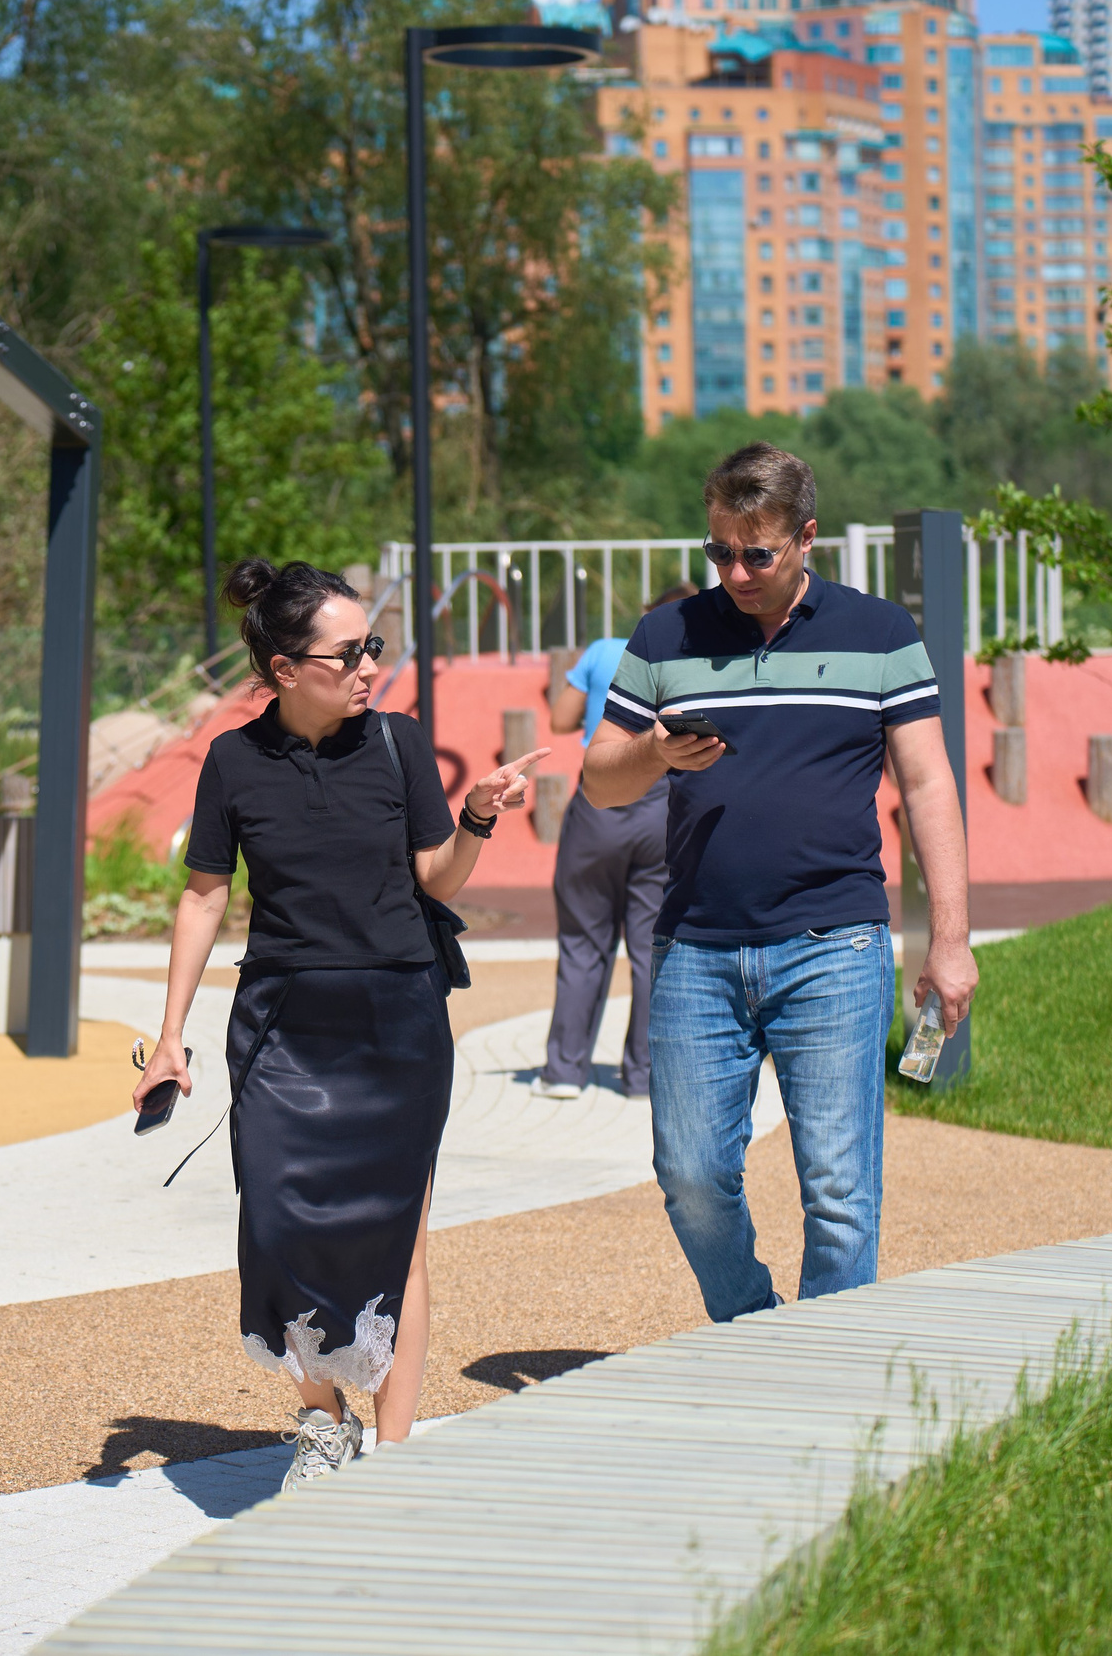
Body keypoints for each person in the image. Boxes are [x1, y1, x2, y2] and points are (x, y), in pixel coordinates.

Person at [135, 559, 547, 1490]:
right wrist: (170, 1035)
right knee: (278, 1224)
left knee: (400, 1233)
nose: (369, 665)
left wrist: (477, 816)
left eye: (373, 646)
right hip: (283, 1019)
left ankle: (393, 1454)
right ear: (285, 668)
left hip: (395, 1018)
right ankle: (324, 1417)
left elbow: (435, 878)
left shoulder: (398, 744)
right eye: (349, 652)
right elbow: (204, 896)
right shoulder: (233, 761)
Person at [580, 445, 977, 1321]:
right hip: (695, 948)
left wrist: (948, 938)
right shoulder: (666, 636)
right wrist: (654, 750)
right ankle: (755, 1327)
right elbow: (599, 780)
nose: (735, 572)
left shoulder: (882, 634)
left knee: (838, 1192)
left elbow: (928, 785)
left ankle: (825, 1375)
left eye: (756, 553)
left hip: (835, 945)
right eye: (718, 551)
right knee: (688, 1174)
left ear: (806, 539)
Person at [537, 583, 698, 1100]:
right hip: (660, 806)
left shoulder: (607, 651)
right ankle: (643, 1077)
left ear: (647, 615)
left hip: (600, 804)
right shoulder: (695, 661)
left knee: (584, 940)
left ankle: (564, 1071)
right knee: (653, 947)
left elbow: (561, 720)